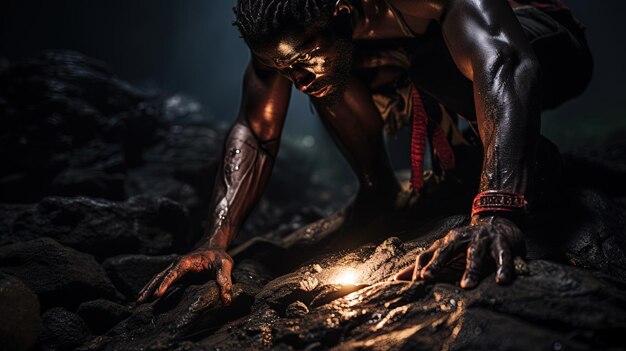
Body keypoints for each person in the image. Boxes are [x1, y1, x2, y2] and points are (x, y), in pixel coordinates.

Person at [137, 0, 592, 305]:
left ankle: (516, 164)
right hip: (428, 57)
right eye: (280, 67)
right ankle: (380, 192)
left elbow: (505, 61)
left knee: (432, 63)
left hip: (538, 39)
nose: (293, 79)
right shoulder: (294, 28)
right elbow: (256, 131)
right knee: (328, 79)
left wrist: (498, 210)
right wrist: (214, 242)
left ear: (339, 11)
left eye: (298, 59)